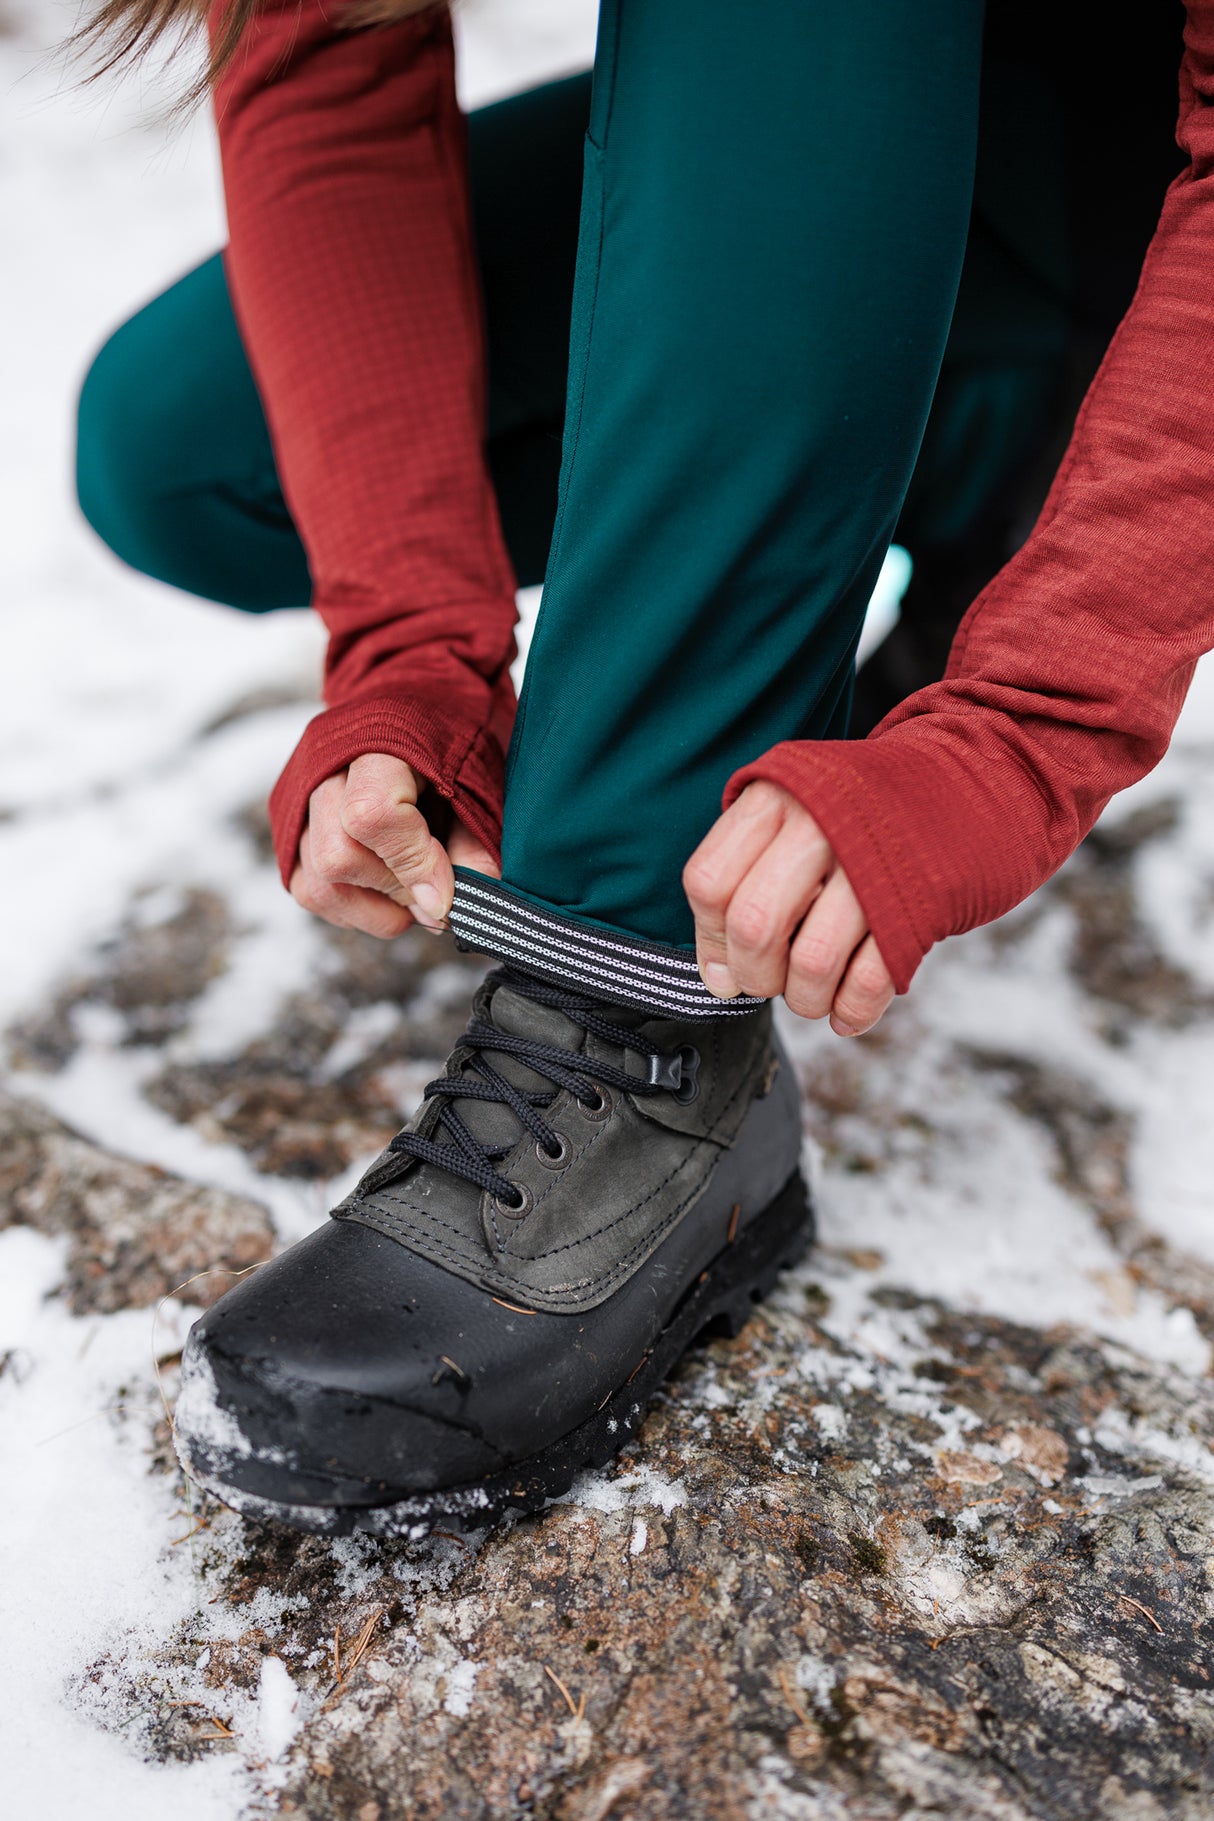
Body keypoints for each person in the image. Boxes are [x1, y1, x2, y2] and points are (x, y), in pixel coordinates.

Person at [74, 0, 1211, 1537]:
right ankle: (978, 460)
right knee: (188, 452)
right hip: (891, 183)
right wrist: (408, 643)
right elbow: (324, 59)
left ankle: (638, 1031)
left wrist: (1029, 715)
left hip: (1124, 214)